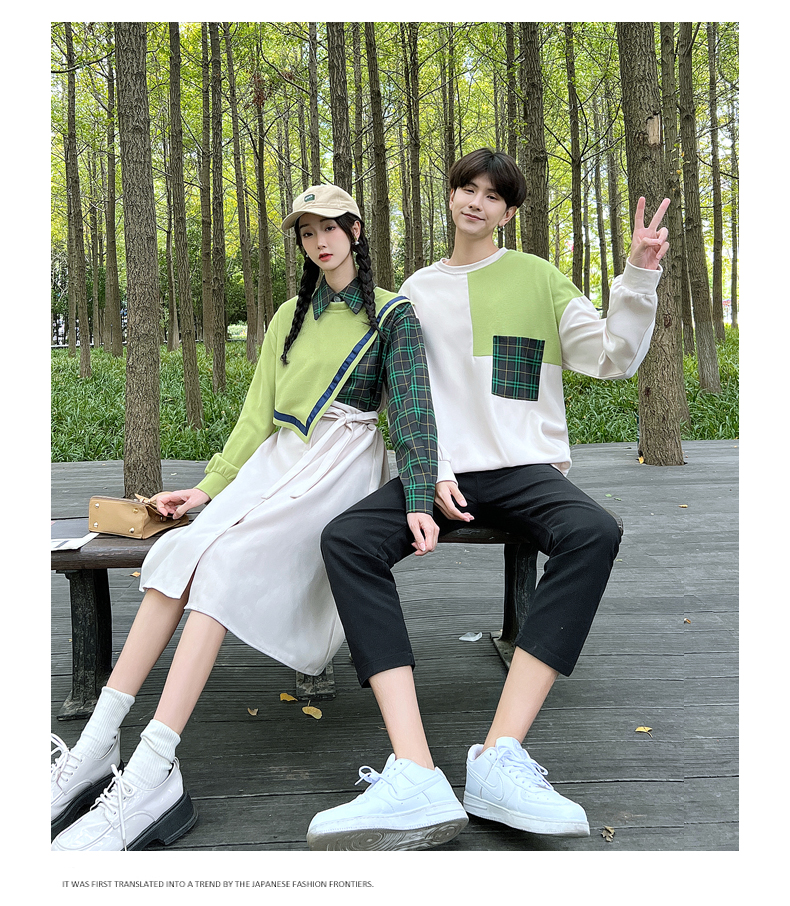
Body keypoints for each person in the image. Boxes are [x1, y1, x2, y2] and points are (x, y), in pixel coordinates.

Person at [50, 184, 449, 851]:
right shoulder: (289, 315)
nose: (319, 241)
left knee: (224, 566)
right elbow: (256, 416)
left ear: (356, 230)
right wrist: (207, 489)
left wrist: (417, 498)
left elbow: (413, 412)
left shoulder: (393, 314)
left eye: (330, 227)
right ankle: (96, 747)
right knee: (176, 552)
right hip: (275, 463)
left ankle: (152, 768)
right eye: (307, 232)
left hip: (341, 468)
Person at [308, 148, 670, 851]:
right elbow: (405, 396)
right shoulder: (415, 291)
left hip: (524, 469)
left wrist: (638, 275)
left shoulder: (538, 277)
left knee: (594, 529)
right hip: (441, 473)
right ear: (450, 196)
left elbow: (612, 357)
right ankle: (413, 767)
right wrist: (431, 470)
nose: (476, 201)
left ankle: (500, 754)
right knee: (346, 540)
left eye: (493, 195)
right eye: (466, 188)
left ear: (508, 211)